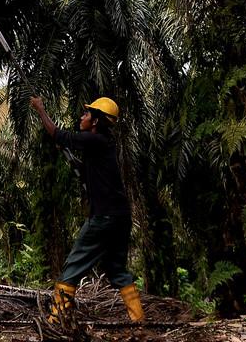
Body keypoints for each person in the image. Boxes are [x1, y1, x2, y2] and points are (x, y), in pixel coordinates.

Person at [30, 94, 144, 335]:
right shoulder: (103, 145)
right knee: (116, 269)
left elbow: (59, 134)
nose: (82, 117)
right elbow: (88, 172)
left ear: (96, 121)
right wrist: (71, 158)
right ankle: (138, 321)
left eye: (86, 114)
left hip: (103, 218)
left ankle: (56, 320)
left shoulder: (95, 140)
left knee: (72, 267)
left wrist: (40, 109)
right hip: (120, 217)